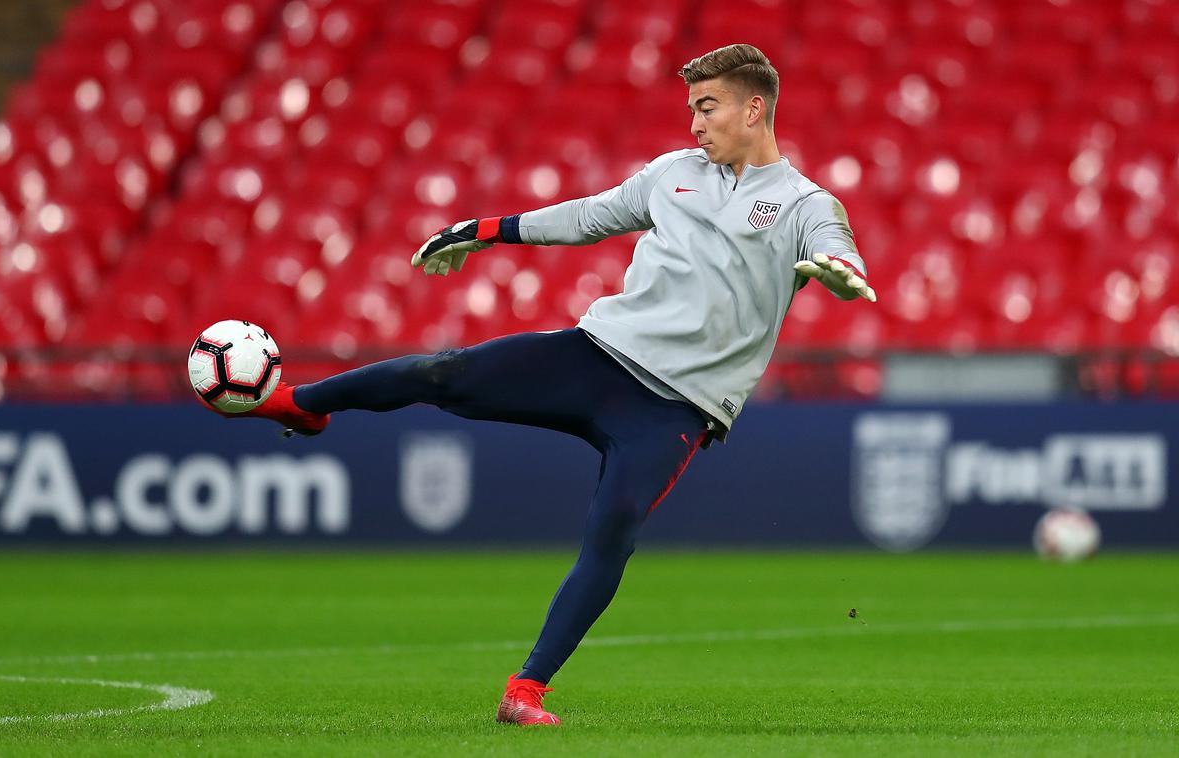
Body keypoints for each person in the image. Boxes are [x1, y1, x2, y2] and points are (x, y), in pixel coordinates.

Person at [213, 44, 876, 725]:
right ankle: (299, 403)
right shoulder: (674, 174)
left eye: (707, 108)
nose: (695, 126)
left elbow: (838, 247)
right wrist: (486, 230)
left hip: (677, 409)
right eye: (691, 111)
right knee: (444, 372)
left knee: (612, 531)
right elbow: (588, 218)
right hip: (595, 358)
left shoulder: (803, 203)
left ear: (754, 107)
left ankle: (525, 689)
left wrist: (837, 270)